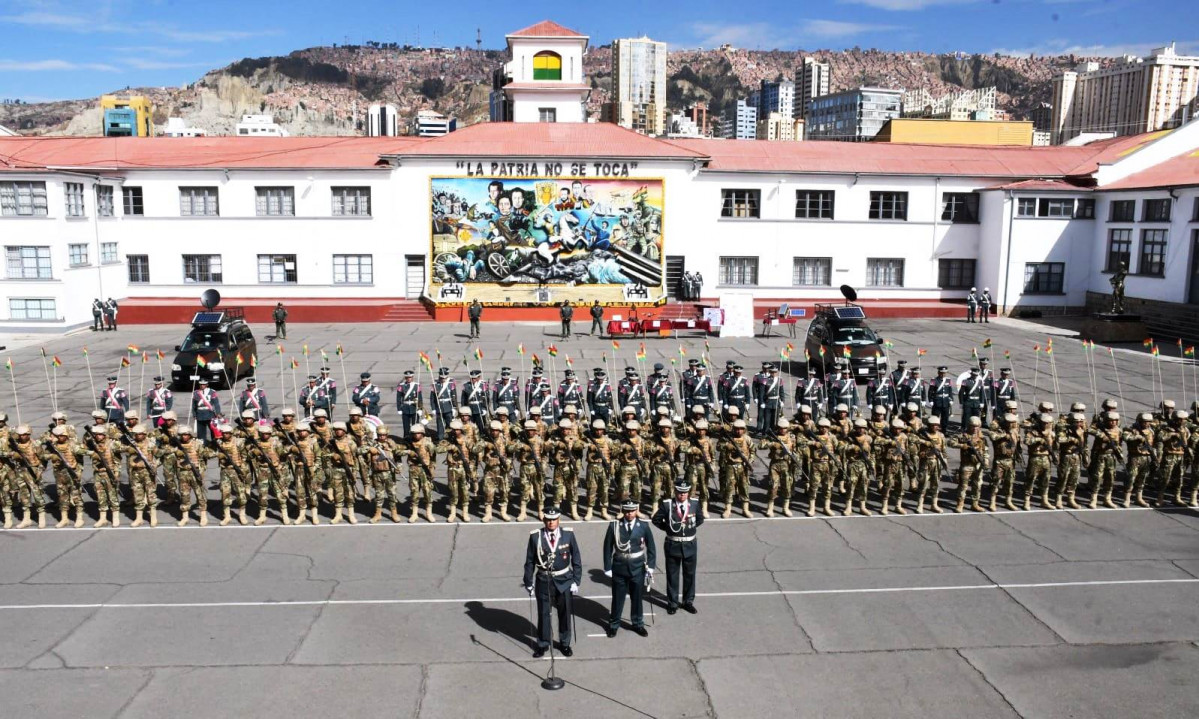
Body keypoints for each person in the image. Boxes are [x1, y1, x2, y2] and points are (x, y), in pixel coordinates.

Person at [523, 503, 582, 658]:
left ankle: (564, 643)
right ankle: (542, 644)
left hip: (564, 579)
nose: (551, 522)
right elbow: (529, 561)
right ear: (543, 520)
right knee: (543, 613)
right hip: (544, 580)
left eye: (554, 519)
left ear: (558, 520)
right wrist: (528, 582)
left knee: (564, 613)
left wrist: (576, 580)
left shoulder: (568, 535)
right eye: (548, 519)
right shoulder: (535, 536)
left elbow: (576, 557)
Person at [603, 499, 657, 637]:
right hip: (619, 567)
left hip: (637, 567)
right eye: (627, 511)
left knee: (637, 598)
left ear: (636, 511)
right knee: (618, 598)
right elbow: (607, 547)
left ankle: (638, 623)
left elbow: (651, 547)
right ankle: (614, 624)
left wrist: (650, 566)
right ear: (623, 511)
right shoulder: (614, 526)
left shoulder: (643, 526)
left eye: (632, 511)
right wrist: (607, 567)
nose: (629, 514)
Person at [652, 481, 703, 615]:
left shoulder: (695, 504)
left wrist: (688, 530)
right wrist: (669, 529)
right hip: (673, 544)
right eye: (680, 493)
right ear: (675, 492)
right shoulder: (667, 504)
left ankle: (688, 602)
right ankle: (673, 603)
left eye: (685, 492)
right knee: (672, 575)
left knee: (690, 575)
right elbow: (656, 519)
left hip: (690, 544)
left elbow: (700, 519)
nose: (682, 495)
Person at [395, 370, 422, 438]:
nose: (408, 379)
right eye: (407, 377)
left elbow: (420, 398)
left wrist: (420, 408)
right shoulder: (401, 386)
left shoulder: (416, 385)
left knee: (415, 426)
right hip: (405, 408)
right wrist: (399, 409)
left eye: (410, 377)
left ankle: (415, 440)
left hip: (414, 408)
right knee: (406, 427)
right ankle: (406, 440)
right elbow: (398, 398)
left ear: (412, 377)